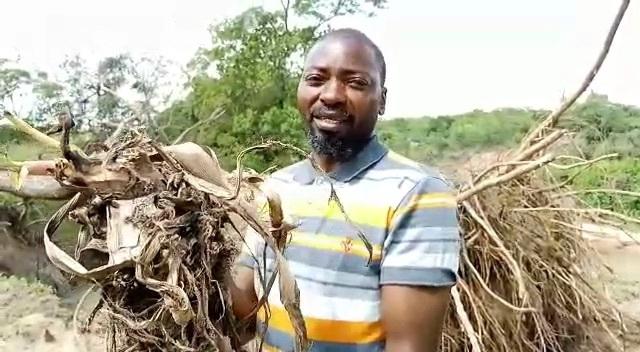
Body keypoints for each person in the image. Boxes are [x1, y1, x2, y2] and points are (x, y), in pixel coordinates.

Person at [231, 28, 461, 352]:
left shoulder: (418, 194)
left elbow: (408, 346)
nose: (331, 95)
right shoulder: (277, 187)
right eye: (316, 79)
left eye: (355, 83)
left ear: (382, 100)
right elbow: (242, 307)